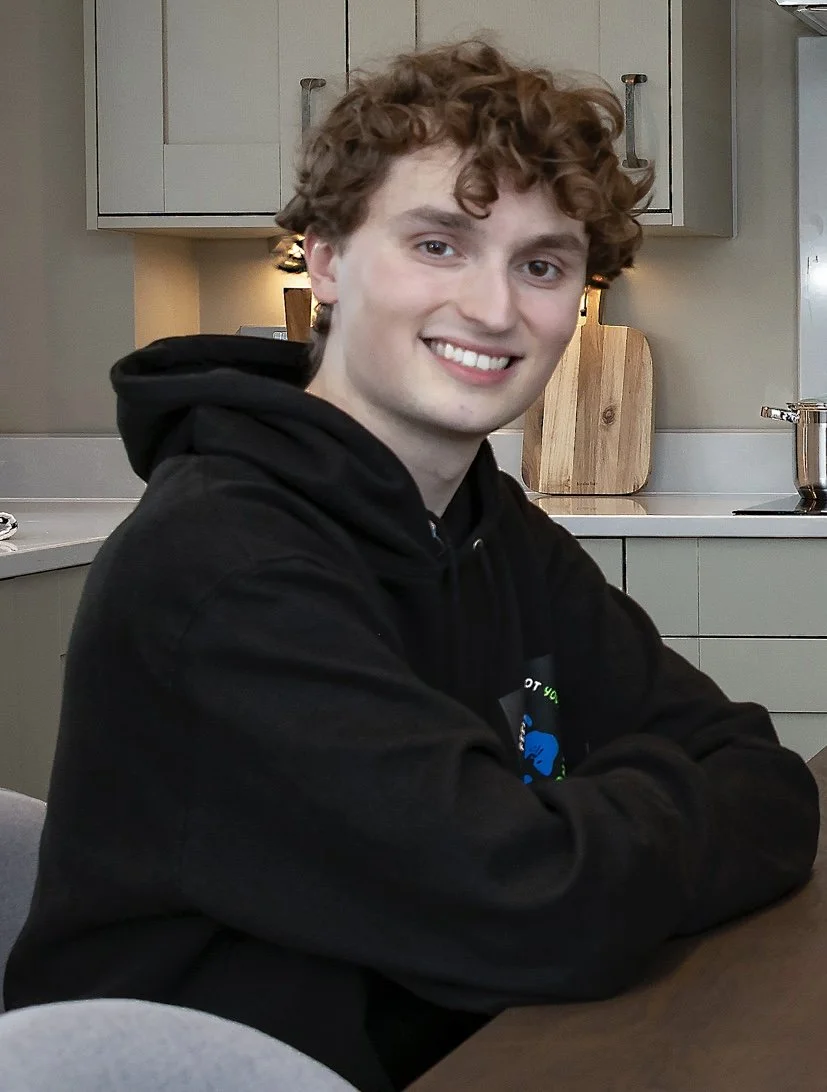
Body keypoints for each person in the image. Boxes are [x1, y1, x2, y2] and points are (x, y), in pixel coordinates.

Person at [5, 39, 819, 1092]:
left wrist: (568, 830)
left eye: (541, 264)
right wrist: (588, 823)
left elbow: (761, 778)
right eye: (438, 245)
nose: (493, 309)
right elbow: (535, 907)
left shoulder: (483, 521)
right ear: (326, 258)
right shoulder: (223, 566)